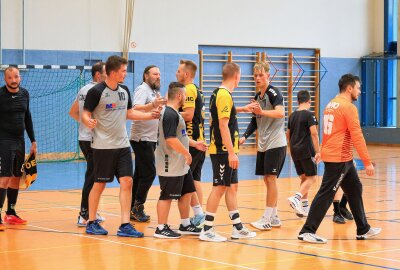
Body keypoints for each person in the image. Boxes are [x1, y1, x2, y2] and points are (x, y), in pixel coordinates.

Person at [298, 74, 381, 244]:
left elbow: (328, 132)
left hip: (343, 157)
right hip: (339, 158)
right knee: (326, 193)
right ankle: (307, 230)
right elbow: (357, 136)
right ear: (349, 88)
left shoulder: (331, 104)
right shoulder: (348, 107)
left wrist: (321, 150)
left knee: (355, 188)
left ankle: (363, 228)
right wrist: (366, 162)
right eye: (358, 88)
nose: (359, 91)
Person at [82, 55, 159, 237]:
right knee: (99, 184)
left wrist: (150, 115)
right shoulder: (97, 92)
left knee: (127, 181)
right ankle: (91, 221)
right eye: (123, 70)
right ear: (113, 72)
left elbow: (129, 113)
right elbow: (85, 113)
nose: (126, 73)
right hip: (102, 146)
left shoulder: (124, 91)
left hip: (123, 145)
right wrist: (88, 121)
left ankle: (125, 224)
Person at [199, 62, 257, 242]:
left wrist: (243, 109)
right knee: (219, 187)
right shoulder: (224, 95)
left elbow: (222, 115)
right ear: (237, 77)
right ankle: (207, 229)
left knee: (232, 186)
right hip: (223, 150)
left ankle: (237, 227)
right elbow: (223, 125)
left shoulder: (219, 93)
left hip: (227, 149)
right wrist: (231, 153)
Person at [154, 82, 206, 239]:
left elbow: (180, 136)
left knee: (188, 191)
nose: (185, 97)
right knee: (167, 195)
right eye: (184, 95)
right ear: (178, 96)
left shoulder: (174, 113)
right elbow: (170, 139)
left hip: (180, 163)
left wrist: (195, 144)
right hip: (170, 162)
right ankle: (161, 228)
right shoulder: (169, 114)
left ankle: (185, 224)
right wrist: (186, 153)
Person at [240, 61, 287, 231]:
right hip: (264, 144)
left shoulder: (274, 92)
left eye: (261, 75)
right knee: (267, 180)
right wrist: (245, 136)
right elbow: (255, 119)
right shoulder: (258, 96)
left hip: (276, 142)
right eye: (255, 75)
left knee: (271, 179)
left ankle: (266, 218)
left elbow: (281, 113)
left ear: (268, 75)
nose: (258, 78)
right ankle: (274, 217)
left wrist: (262, 112)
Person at [69, 62, 107, 226]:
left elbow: (73, 112)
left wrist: (85, 124)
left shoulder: (83, 89)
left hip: (85, 138)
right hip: (92, 140)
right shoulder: (98, 91)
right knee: (92, 176)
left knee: (95, 175)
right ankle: (84, 214)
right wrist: (90, 125)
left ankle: (90, 211)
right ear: (98, 75)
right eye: (107, 72)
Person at [0, 66, 37, 231]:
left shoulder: (25, 94)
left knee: (16, 176)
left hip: (20, 140)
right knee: (5, 177)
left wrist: (33, 140)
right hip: (4, 140)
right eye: (10, 78)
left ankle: (11, 212)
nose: (13, 80)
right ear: (5, 79)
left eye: (16, 77)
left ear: (20, 77)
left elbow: (27, 117)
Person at [129, 65, 166, 223]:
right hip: (141, 137)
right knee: (150, 172)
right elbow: (135, 108)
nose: (157, 76)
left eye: (159, 73)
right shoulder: (142, 89)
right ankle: (138, 206)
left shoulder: (154, 92)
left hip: (150, 138)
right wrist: (153, 106)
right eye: (154, 74)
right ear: (146, 76)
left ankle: (131, 207)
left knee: (139, 174)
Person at [176, 59, 206, 227]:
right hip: (199, 140)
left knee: (187, 181)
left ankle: (191, 218)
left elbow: (188, 115)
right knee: (195, 180)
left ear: (187, 74)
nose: (176, 73)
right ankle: (199, 216)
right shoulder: (197, 90)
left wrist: (169, 112)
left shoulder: (188, 89)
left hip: (192, 141)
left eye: (179, 71)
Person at [286, 90, 319, 218]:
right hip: (306, 150)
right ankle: (296, 198)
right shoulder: (310, 115)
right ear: (309, 101)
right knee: (312, 177)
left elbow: (288, 134)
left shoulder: (292, 115)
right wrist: (318, 151)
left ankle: (304, 207)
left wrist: (292, 148)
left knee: (304, 178)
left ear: (297, 101)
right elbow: (314, 134)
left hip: (294, 150)